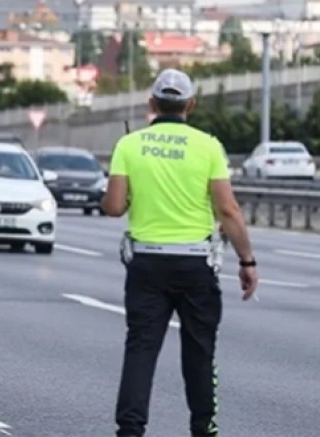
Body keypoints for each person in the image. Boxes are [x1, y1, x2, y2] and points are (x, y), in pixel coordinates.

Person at [101, 68, 259, 437]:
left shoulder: (130, 145)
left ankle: (130, 430)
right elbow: (228, 210)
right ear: (191, 105)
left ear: (152, 103)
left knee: (141, 349)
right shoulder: (208, 146)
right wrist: (247, 261)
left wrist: (122, 198)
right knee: (199, 353)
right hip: (195, 264)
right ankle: (204, 429)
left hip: (146, 263)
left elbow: (113, 206)